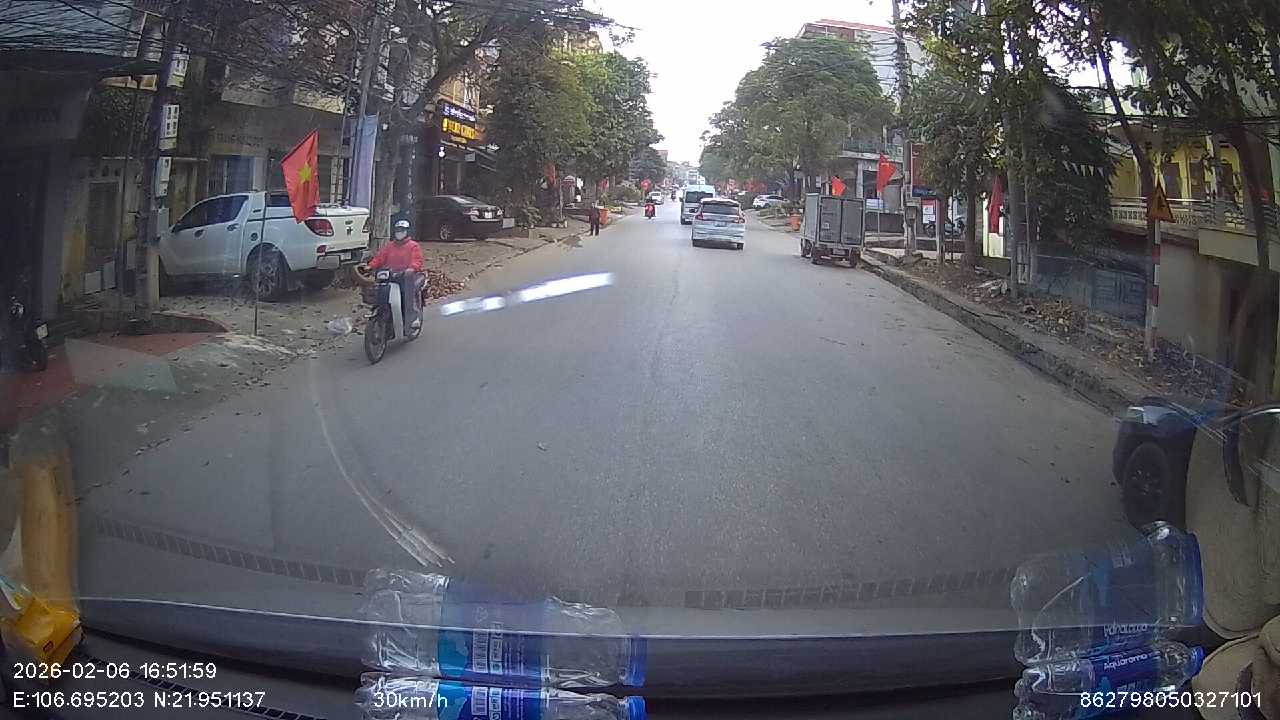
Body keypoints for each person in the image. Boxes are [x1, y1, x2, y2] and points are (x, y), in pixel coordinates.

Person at [367, 219, 425, 330]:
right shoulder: (389, 246)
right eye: (398, 230)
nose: (399, 232)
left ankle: (413, 318)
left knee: (407, 294)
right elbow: (379, 258)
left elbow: (417, 260)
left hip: (406, 276)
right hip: (391, 275)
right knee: (379, 291)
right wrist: (370, 266)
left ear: (407, 232)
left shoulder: (413, 246)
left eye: (402, 230)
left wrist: (411, 269)